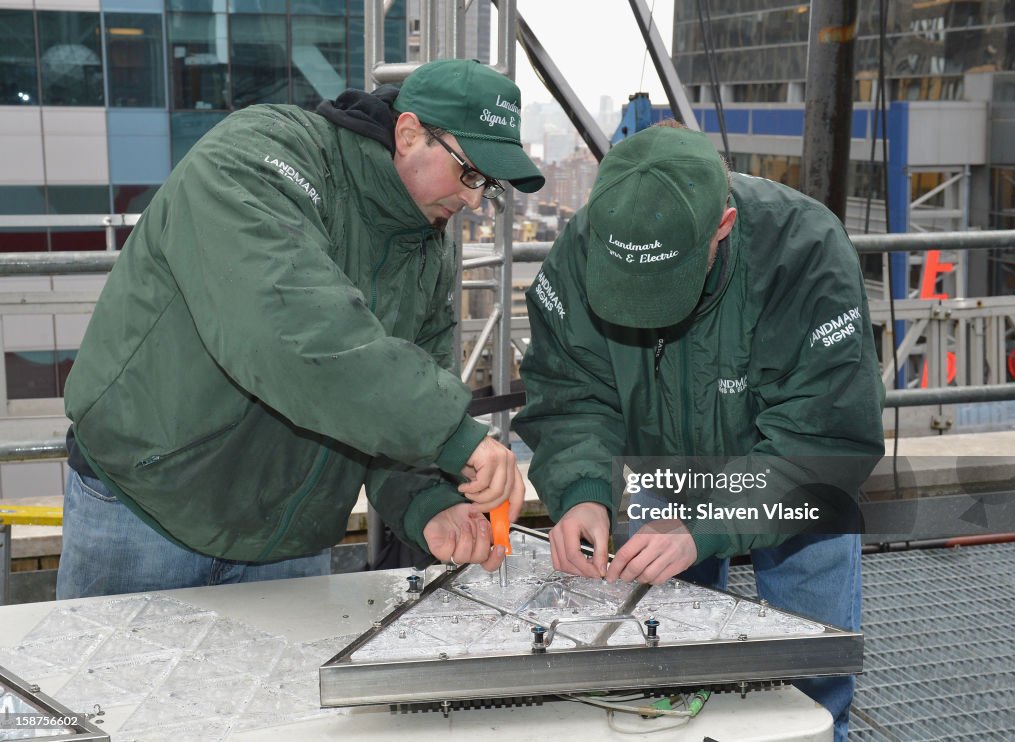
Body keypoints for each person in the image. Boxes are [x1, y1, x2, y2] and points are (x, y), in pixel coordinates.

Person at [58, 58, 544, 599]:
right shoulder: (262, 154)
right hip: (147, 508)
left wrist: (430, 505)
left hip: (287, 538)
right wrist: (454, 435)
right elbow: (291, 331)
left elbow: (403, 394)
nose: (476, 200)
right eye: (469, 172)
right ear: (409, 133)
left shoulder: (431, 250)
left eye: (490, 185)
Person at [512, 123, 883, 741]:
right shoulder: (579, 249)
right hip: (660, 465)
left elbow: (828, 436)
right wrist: (581, 489)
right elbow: (573, 391)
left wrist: (709, 523)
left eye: (665, 287)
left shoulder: (806, 248)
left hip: (790, 474)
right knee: (661, 665)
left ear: (724, 225)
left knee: (809, 672)